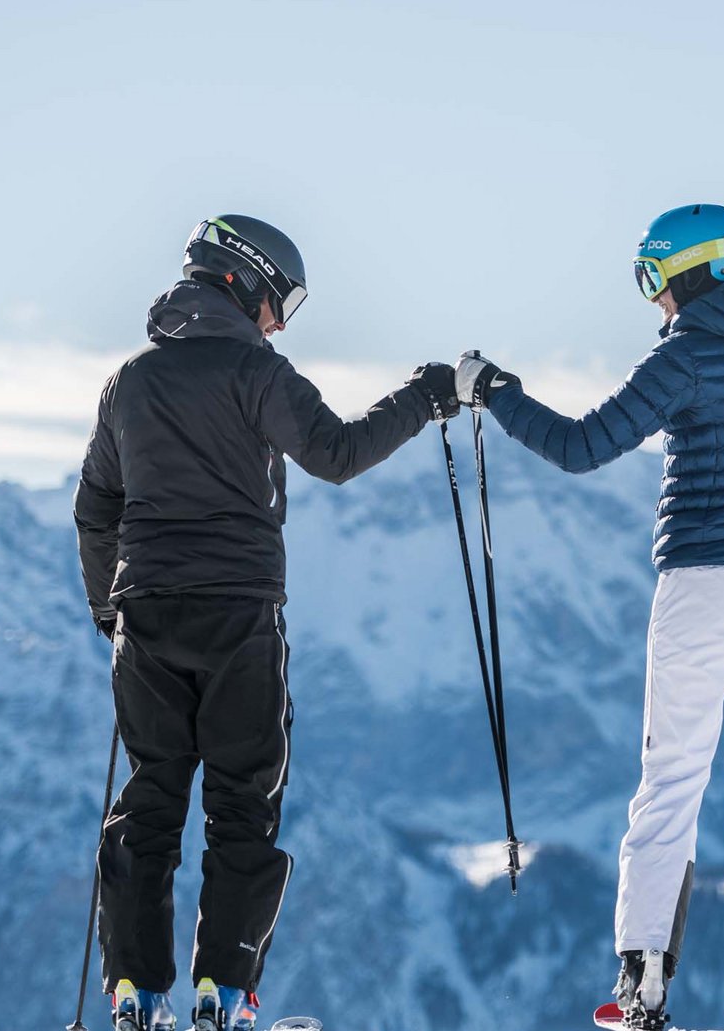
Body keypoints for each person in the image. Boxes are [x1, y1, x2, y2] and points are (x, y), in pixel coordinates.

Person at [454, 204, 724, 1030]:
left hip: (702, 580)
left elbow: (581, 447)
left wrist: (496, 392)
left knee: (671, 778)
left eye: (650, 278)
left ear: (684, 272)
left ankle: (645, 987)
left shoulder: (688, 357)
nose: (652, 299)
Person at [73, 215, 461, 1031]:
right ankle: (225, 990)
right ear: (244, 282)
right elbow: (339, 454)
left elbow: (96, 506)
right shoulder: (258, 373)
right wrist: (427, 397)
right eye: (280, 301)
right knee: (243, 804)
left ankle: (134, 995)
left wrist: (109, 607)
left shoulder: (129, 382)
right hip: (239, 615)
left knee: (148, 802)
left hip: (145, 615)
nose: (279, 321)